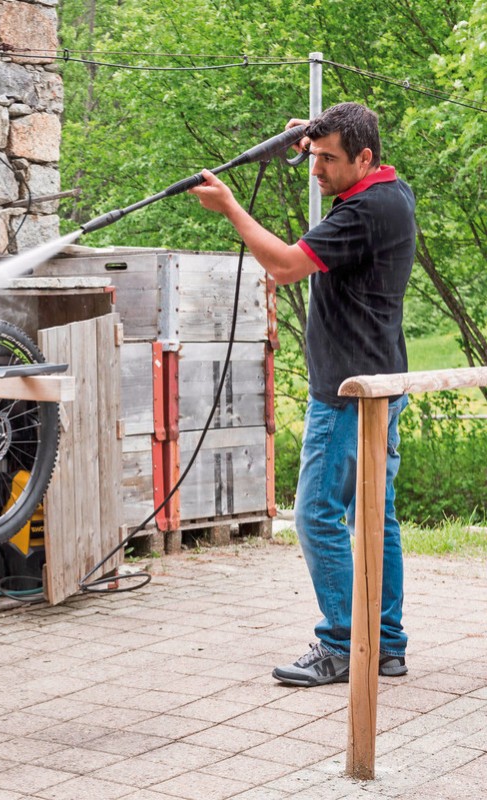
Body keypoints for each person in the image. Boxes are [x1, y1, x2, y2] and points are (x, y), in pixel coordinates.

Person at [188, 102, 415, 686]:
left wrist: (231, 208)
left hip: (347, 394)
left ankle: (342, 643)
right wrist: (309, 139)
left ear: (365, 158)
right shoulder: (393, 194)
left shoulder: (362, 212)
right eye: (315, 157)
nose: (317, 170)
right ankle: (385, 643)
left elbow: (287, 266)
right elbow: (339, 150)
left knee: (316, 516)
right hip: (383, 382)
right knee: (376, 518)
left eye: (329, 160)